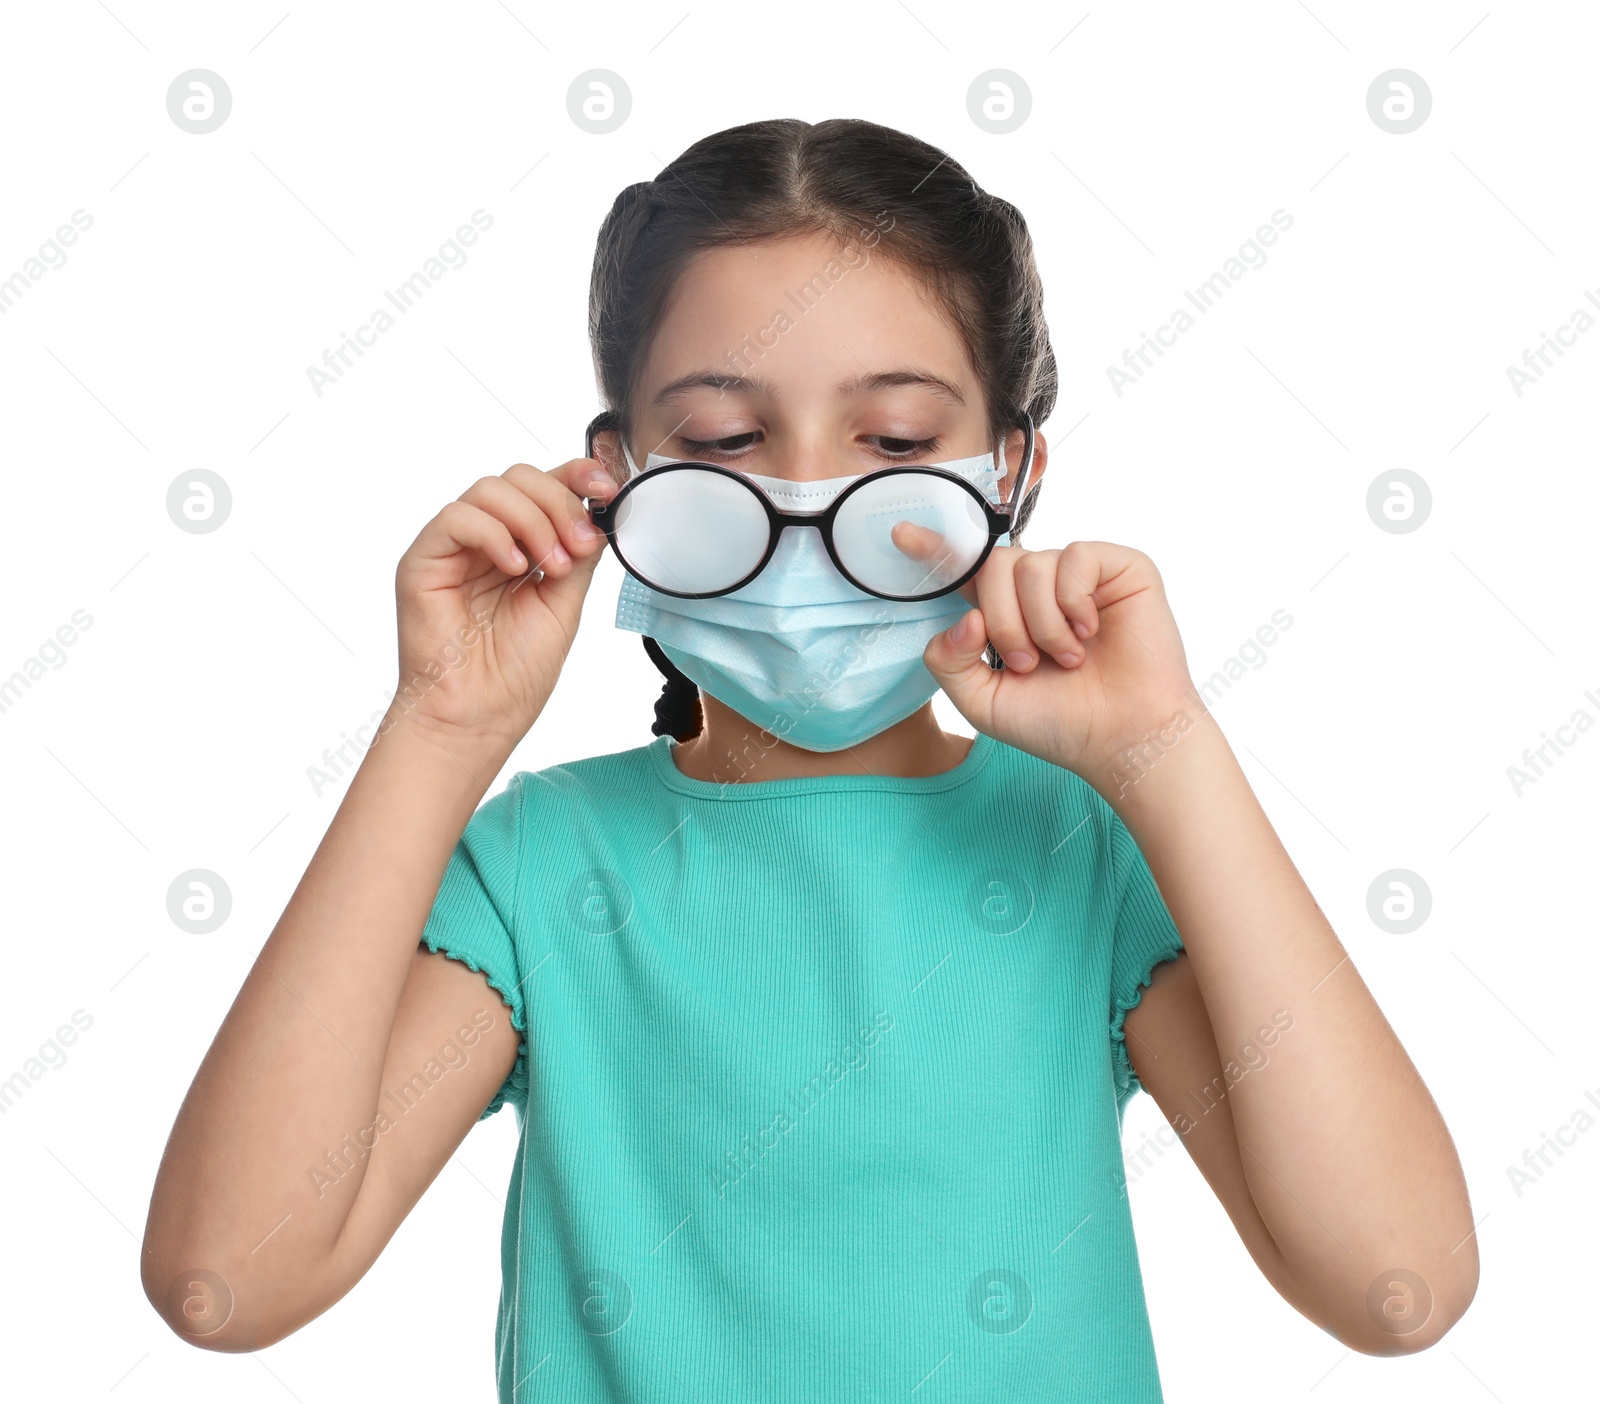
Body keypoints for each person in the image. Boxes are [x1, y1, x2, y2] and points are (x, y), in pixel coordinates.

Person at [141, 117, 1478, 1401]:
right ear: (614, 476)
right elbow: (227, 1282)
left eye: (894, 442)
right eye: (724, 440)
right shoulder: (543, 865)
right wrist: (441, 727)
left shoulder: (1081, 851)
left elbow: (1393, 1285)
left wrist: (1170, 754)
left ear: (1011, 475)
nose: (804, 498)